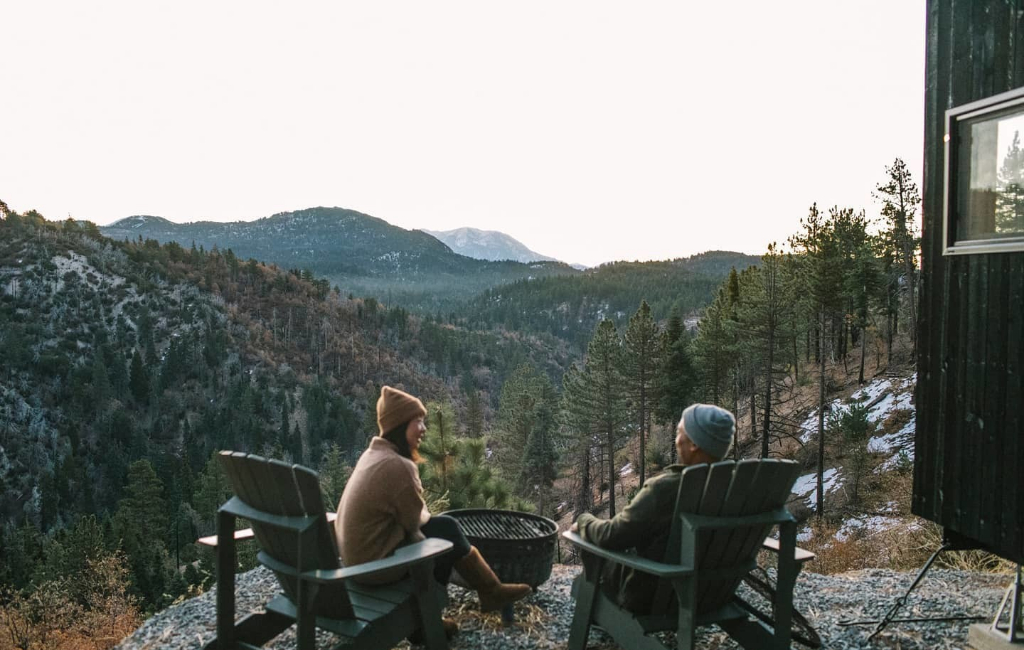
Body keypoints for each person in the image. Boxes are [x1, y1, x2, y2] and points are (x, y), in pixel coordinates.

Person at [336, 385, 532, 634]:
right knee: (442, 533)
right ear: (399, 425)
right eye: (417, 421)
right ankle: (428, 621)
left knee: (442, 529)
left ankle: (489, 591)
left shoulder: (373, 455)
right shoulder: (396, 465)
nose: (424, 429)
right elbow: (415, 522)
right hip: (373, 568)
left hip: (357, 561)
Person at [570, 403, 736, 614]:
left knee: (593, 547)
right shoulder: (733, 487)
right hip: (712, 593)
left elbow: (612, 535)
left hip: (655, 596)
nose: (677, 440)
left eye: (679, 432)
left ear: (694, 443)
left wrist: (584, 521)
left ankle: (594, 612)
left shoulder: (666, 489)